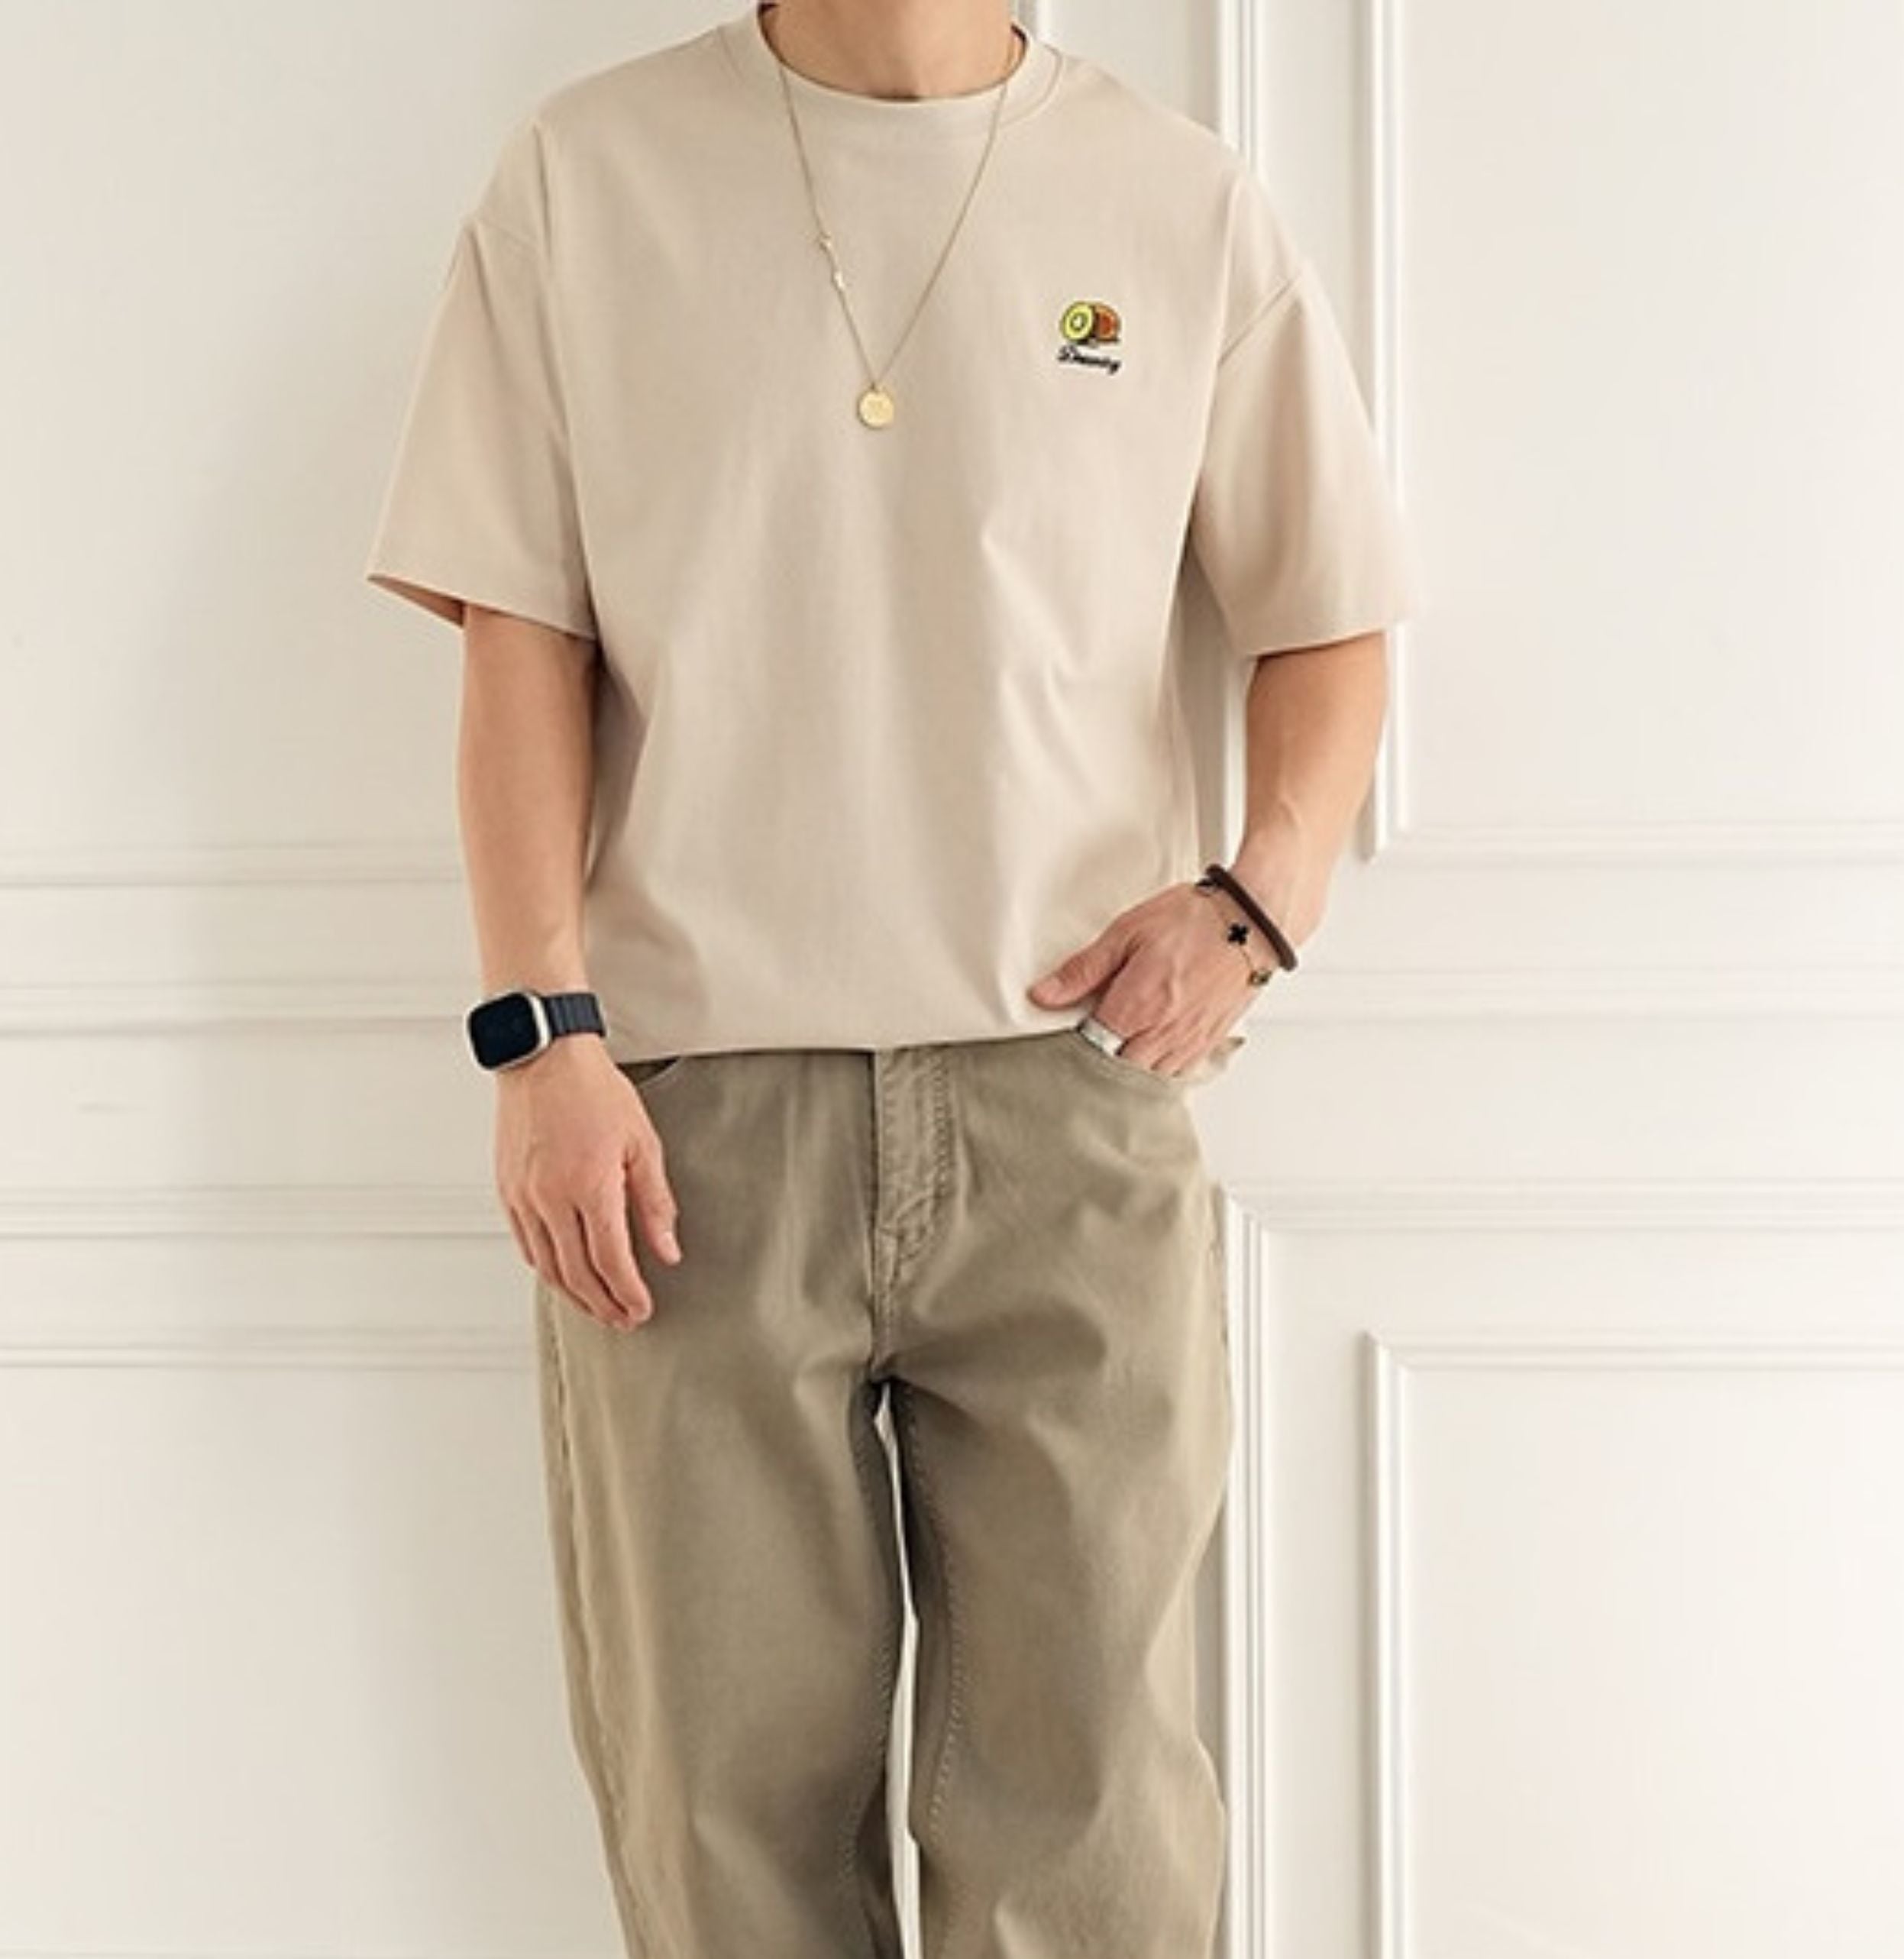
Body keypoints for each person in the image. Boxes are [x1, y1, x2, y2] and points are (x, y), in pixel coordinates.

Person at [363, 2, 1418, 1953]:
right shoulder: (586, 178)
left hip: (1068, 1099)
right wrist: (539, 1038)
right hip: (684, 1126)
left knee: (1094, 1832)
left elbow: (1325, 612)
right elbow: (521, 637)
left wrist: (1254, 905)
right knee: (718, 1820)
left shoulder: (1173, 199)